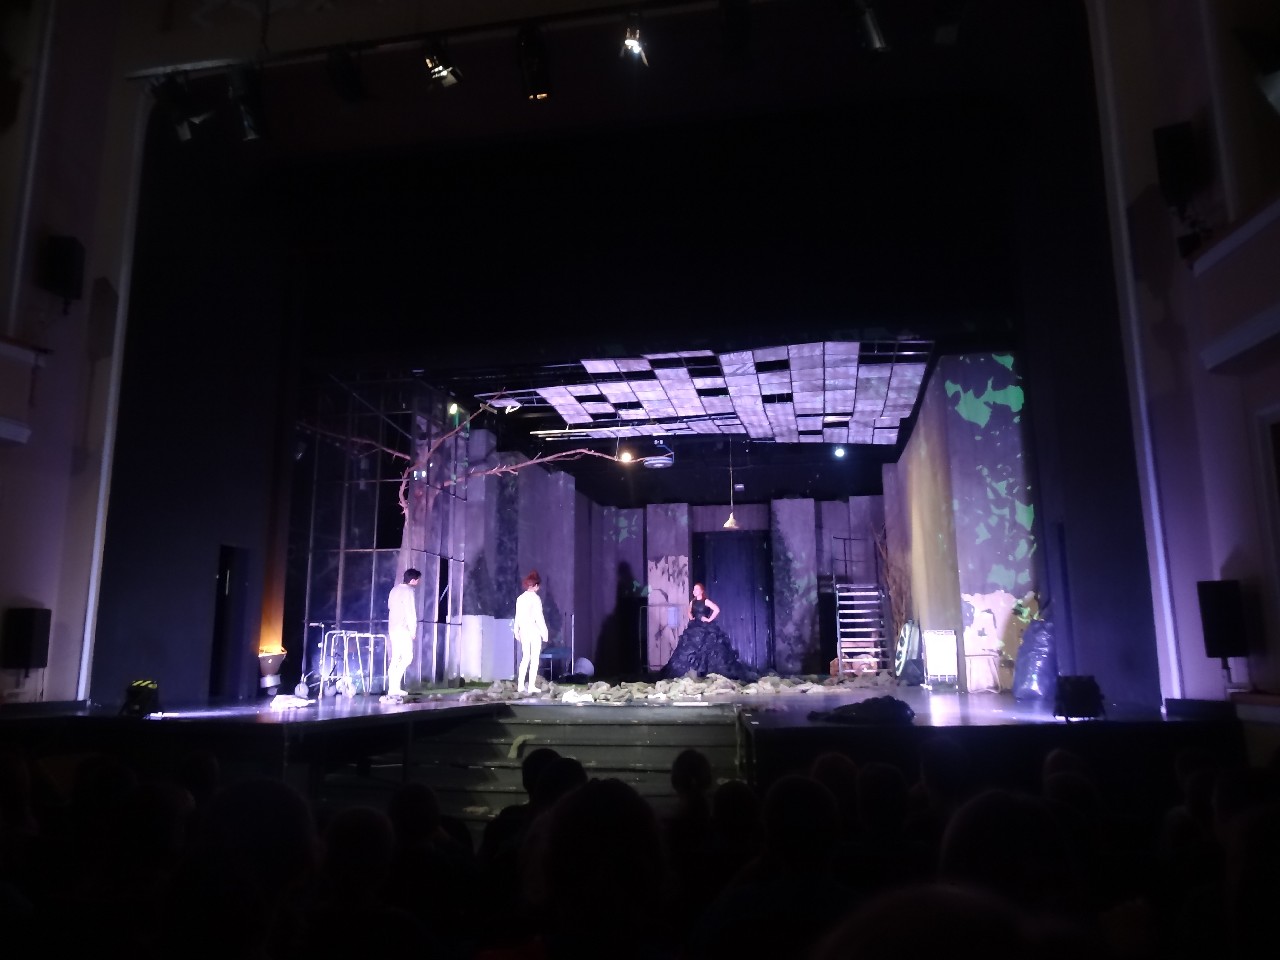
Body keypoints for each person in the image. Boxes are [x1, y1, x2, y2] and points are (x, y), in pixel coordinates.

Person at [659, 583, 757, 683]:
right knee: (689, 648)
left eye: (697, 589)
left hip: (705, 627)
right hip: (695, 626)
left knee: (709, 647)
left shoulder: (705, 601)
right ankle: (694, 671)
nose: (694, 591)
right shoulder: (692, 602)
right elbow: (689, 611)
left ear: (701, 591)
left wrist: (709, 619)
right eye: (694, 589)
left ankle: (707, 672)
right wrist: (691, 617)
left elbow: (716, 609)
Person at [384, 567, 420, 701]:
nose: (418, 582)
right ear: (413, 580)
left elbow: (389, 606)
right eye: (417, 580)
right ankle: (394, 686)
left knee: (396, 657)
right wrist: (413, 630)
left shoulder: (394, 590)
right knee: (407, 657)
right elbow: (411, 611)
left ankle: (393, 687)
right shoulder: (409, 591)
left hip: (393, 627)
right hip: (403, 628)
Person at [514, 570, 548, 695]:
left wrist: (516, 630)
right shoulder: (535, 599)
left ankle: (521, 685)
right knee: (534, 658)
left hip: (524, 631)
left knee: (525, 658)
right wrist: (545, 632)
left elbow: (517, 616)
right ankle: (531, 685)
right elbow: (539, 617)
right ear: (535, 585)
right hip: (534, 631)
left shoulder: (520, 598)